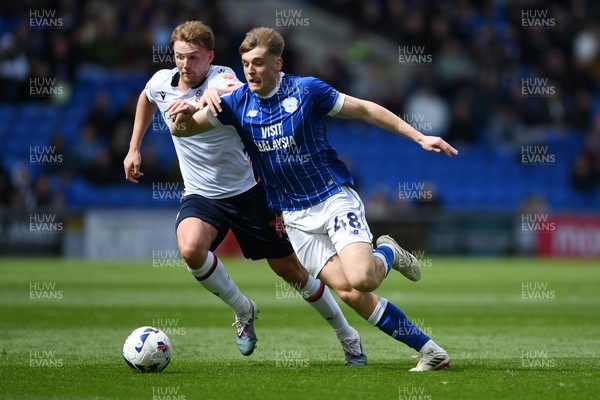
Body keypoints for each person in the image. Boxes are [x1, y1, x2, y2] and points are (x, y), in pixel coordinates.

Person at [168, 27, 458, 371]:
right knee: (349, 293)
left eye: (259, 63)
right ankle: (432, 352)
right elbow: (184, 129)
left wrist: (419, 136)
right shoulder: (236, 102)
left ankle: (388, 253)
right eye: (246, 63)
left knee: (363, 279)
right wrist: (184, 115)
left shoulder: (307, 91)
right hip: (294, 216)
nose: (251, 71)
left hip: (332, 197)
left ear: (278, 63)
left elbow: (364, 109)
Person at [123, 21, 367, 365]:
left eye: (193, 58)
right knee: (191, 248)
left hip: (250, 191)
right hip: (201, 194)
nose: (185, 65)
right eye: (179, 57)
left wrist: (212, 96)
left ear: (209, 57)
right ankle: (243, 309)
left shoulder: (224, 79)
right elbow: (147, 98)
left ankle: (348, 337)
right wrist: (134, 147)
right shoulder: (161, 83)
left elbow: (239, 90)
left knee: (293, 273)